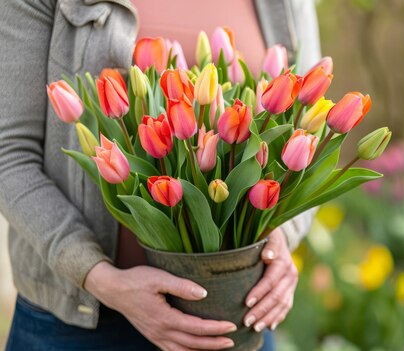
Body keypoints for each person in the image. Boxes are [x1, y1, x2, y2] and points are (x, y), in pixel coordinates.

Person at [0, 0, 320, 350]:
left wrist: (282, 239)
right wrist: (98, 276)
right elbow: (10, 153)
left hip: (233, 313)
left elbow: (303, 135)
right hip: (83, 326)